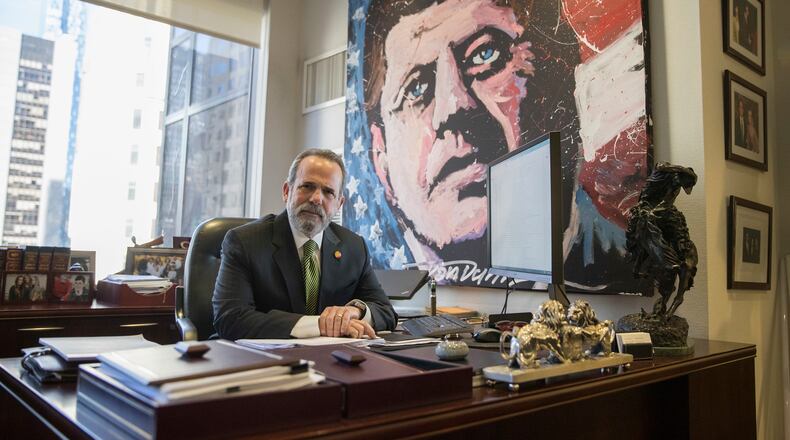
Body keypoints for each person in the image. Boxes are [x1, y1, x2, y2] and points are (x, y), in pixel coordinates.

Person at [359, 0, 645, 291]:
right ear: (381, 160)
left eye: (486, 54)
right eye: (415, 89)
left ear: (561, 89)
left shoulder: (634, 268)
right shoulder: (373, 294)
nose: (453, 107)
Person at [212, 149, 397, 340]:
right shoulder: (244, 242)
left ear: (339, 204)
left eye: (328, 192)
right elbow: (230, 318)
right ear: (287, 191)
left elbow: (386, 312)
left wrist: (355, 311)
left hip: (333, 361)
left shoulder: (354, 246)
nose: (317, 198)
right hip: (266, 362)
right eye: (307, 186)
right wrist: (319, 325)